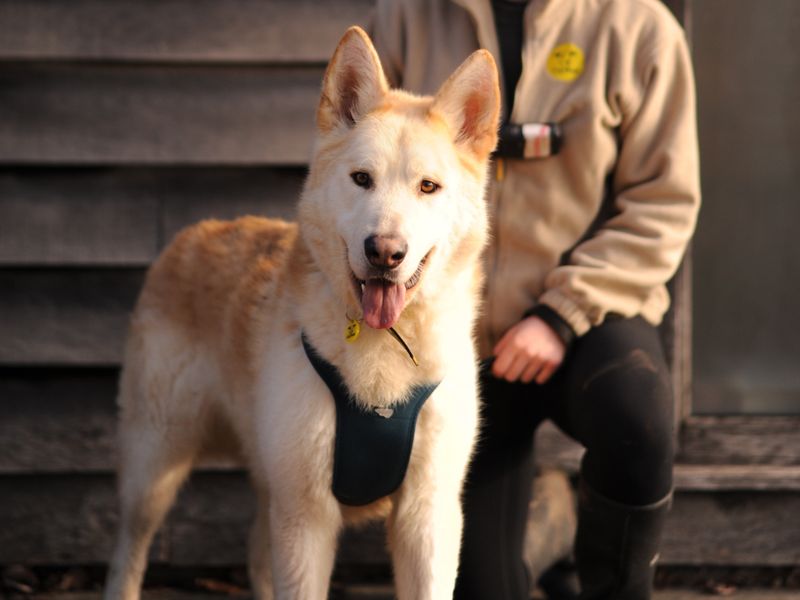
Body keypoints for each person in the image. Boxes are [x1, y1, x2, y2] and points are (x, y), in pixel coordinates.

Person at [371, 0, 700, 598]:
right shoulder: (406, 17)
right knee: (481, 586)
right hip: (455, 342)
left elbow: (662, 204)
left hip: (588, 320)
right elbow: (357, 163)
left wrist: (560, 315)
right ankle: (549, 520)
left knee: (639, 419)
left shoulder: (641, 28)